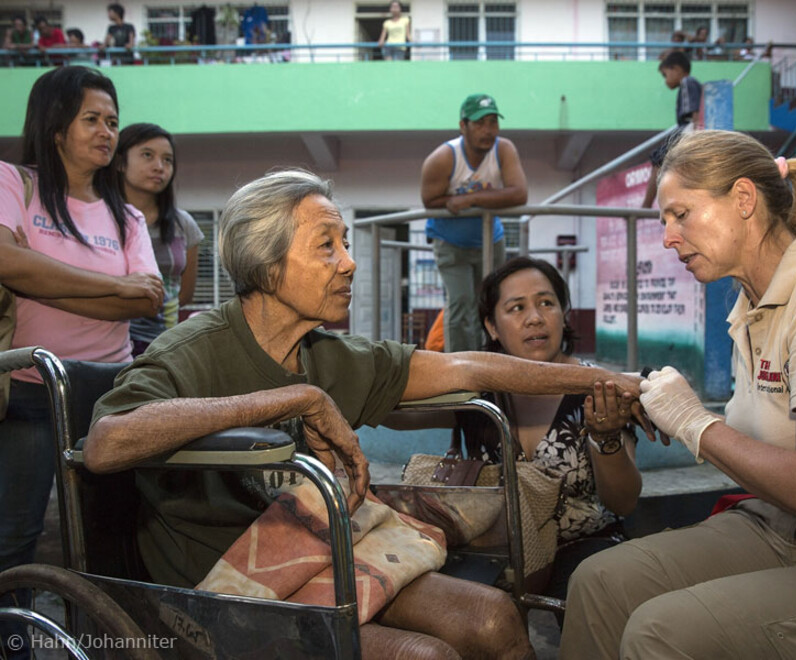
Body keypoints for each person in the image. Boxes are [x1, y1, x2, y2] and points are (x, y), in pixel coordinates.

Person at [85, 168, 649, 659]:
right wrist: (294, 399)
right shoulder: (193, 350)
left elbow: (468, 368)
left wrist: (612, 382)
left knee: (495, 619)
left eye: (346, 243)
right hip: (225, 584)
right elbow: (106, 443)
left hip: (321, 551)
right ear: (268, 265)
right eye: (326, 246)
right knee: (423, 656)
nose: (350, 263)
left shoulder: (330, 356)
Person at [560, 130, 796, 659]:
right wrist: (670, 410)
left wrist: (694, 423)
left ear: (744, 199)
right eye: (664, 221)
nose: (668, 238)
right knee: (598, 583)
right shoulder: (748, 307)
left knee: (662, 631)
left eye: (680, 215)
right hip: (779, 523)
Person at [0, 65, 162, 658]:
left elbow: (150, 297)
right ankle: (13, 645)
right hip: (28, 385)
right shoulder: (13, 182)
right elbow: (6, 264)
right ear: (55, 125)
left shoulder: (127, 215)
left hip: (108, 395)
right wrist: (114, 287)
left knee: (105, 536)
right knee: (15, 535)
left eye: (112, 121)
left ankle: (101, 645)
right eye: (91, 119)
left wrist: (43, 278)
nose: (106, 131)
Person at [463, 257, 640, 610]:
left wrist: (605, 438)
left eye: (546, 303)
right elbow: (391, 407)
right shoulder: (476, 395)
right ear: (492, 326)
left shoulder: (598, 387)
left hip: (583, 547)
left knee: (588, 593)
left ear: (564, 313)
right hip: (497, 550)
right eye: (517, 308)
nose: (535, 318)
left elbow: (623, 503)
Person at [420, 93, 528, 352]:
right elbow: (429, 200)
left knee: (491, 301)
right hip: (450, 242)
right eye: (479, 123)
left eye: (493, 122)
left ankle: (492, 358)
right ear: (463, 126)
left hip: (491, 239)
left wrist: (470, 199)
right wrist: (489, 198)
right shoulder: (444, 158)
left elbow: (519, 194)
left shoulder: (504, 149)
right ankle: (460, 365)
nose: (487, 130)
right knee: (461, 301)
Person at [117, 123, 205, 355]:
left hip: (163, 345)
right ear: (120, 162)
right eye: (147, 155)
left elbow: (185, 293)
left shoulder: (183, 224)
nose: (159, 167)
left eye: (167, 160)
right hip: (111, 343)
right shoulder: (101, 218)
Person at [641, 51, 702, 209]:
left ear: (676, 69)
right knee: (660, 160)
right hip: (687, 129)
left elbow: (695, 112)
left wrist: (696, 137)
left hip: (689, 130)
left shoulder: (687, 82)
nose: (665, 80)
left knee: (659, 159)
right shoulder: (687, 84)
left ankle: (646, 205)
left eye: (665, 74)